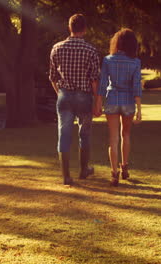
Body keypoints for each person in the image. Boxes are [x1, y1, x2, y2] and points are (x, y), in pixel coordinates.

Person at [49, 14, 100, 185]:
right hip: (84, 96)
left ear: (69, 28)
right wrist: (97, 101)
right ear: (84, 29)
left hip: (64, 95)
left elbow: (52, 77)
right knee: (84, 134)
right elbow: (94, 79)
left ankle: (66, 176)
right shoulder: (91, 50)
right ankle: (84, 170)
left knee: (63, 134)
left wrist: (60, 93)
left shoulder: (56, 48)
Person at [95, 28, 142, 187]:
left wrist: (98, 103)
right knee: (126, 134)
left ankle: (114, 174)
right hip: (128, 101)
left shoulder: (108, 59)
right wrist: (139, 109)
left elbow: (102, 84)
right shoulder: (135, 62)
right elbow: (136, 87)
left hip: (112, 100)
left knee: (113, 138)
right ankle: (125, 167)